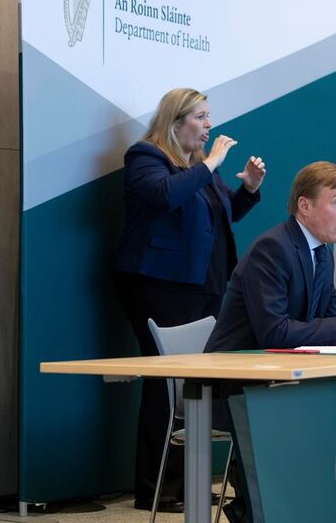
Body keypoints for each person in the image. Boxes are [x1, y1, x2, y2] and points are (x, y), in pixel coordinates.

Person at [115, 87, 266, 512]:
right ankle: (156, 488)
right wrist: (213, 163)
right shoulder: (145, 157)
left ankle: (190, 485)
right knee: (168, 386)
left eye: (208, 116)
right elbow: (166, 196)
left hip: (204, 286)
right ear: (175, 120)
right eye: (200, 117)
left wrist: (248, 191)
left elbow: (222, 214)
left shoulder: (199, 168)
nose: (208, 126)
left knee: (197, 387)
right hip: (159, 284)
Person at [204, 161, 336, 352]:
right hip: (232, 370)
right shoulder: (272, 249)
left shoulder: (323, 254)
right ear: (304, 206)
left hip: (281, 368)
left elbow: (327, 324)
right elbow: (274, 333)